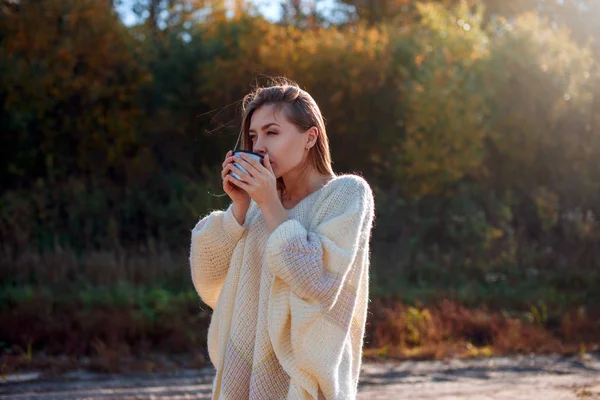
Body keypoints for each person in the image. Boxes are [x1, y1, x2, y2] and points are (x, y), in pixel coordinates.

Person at [189, 78, 375, 400]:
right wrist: (240, 207)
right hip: (242, 380)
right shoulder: (260, 206)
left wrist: (269, 205)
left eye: (272, 132)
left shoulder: (346, 194)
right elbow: (208, 282)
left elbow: (317, 282)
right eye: (253, 135)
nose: (258, 145)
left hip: (300, 381)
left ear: (310, 137)